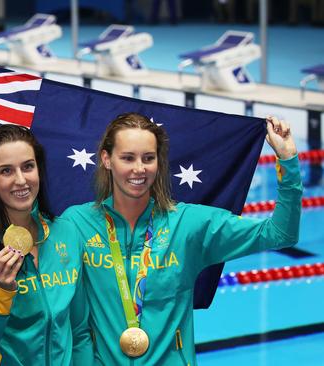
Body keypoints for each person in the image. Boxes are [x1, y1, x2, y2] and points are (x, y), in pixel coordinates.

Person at [62, 113, 301, 364]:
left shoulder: (188, 224)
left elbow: (280, 234)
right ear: (106, 160)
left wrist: (288, 160)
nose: (139, 169)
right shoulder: (77, 224)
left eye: (148, 158)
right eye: (127, 158)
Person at [0, 124, 94, 365]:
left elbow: (79, 332)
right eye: (6, 171)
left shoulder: (66, 233)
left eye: (28, 167)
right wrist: (0, 294)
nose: (21, 180)